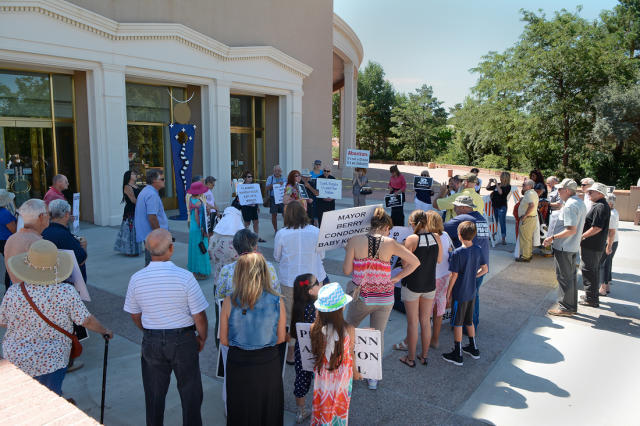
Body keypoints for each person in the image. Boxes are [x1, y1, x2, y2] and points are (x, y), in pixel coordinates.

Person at [0, 240, 112, 396]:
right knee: (50, 397)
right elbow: (85, 320)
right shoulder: (65, 291)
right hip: (52, 358)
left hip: (17, 357)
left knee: (23, 399)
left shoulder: (14, 291)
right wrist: (104, 330)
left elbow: (3, 322)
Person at [124, 229, 209, 426]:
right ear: (170, 249)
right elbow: (200, 316)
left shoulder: (137, 278)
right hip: (183, 339)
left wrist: (148, 331)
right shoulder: (185, 277)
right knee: (191, 394)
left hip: (152, 340)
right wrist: (202, 337)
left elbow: (134, 314)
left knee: (154, 396)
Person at [343, 207, 419, 390]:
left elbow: (346, 271)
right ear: (385, 226)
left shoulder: (355, 240)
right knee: (377, 334)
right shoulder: (390, 243)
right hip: (385, 297)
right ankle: (373, 377)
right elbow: (416, 262)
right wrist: (396, 278)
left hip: (362, 296)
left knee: (348, 330)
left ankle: (348, 369)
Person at [219, 252, 286, 425]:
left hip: (238, 365)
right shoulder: (277, 301)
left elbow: (224, 340)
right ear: (264, 272)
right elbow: (280, 338)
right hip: (267, 365)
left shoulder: (229, 301)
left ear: (239, 273)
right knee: (267, 413)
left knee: (241, 413)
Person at [274, 201, 328, 363]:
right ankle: (314, 348)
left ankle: (291, 352)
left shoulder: (282, 234)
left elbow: (277, 257)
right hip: (313, 280)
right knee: (315, 315)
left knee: (292, 317)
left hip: (290, 280)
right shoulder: (316, 231)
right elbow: (322, 255)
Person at [310, 283, 360, 425]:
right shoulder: (348, 329)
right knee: (338, 407)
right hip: (341, 377)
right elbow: (350, 353)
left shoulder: (314, 328)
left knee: (322, 405)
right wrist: (355, 372)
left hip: (322, 376)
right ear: (342, 308)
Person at [397, 210, 441, 368]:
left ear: (413, 223)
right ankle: (424, 355)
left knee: (412, 323)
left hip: (413, 284)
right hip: (430, 284)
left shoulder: (412, 239)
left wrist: (402, 247)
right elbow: (440, 259)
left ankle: (410, 358)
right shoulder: (436, 237)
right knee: (425, 321)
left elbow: (404, 264)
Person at [442, 221, 488, 366]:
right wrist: (472, 276)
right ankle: (473, 348)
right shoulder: (478, 249)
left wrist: (448, 292)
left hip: (460, 293)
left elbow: (454, 275)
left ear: (459, 235)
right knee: (469, 320)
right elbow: (485, 269)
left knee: (457, 322)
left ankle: (458, 353)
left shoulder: (457, 253)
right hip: (471, 292)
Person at [443, 195, 490, 329]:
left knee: (461, 297)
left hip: (467, 267)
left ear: (463, 207)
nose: (455, 209)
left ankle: (462, 325)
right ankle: (472, 324)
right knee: (474, 295)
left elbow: (441, 229)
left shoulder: (463, 218)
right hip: (481, 265)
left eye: (456, 207)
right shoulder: (481, 218)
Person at [542, 179, 586, 316]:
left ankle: (566, 307)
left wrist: (552, 238)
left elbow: (571, 229)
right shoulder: (579, 202)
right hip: (571, 247)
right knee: (570, 277)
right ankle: (570, 306)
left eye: (560, 189)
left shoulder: (570, 205)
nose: (558, 192)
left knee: (564, 277)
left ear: (567, 190)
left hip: (564, 247)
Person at [290, 273, 321, 423]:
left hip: (301, 348)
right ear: (310, 291)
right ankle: (323, 409)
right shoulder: (316, 307)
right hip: (317, 348)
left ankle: (300, 411)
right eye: (317, 283)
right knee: (321, 379)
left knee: (301, 379)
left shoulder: (298, 305)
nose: (320, 284)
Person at [579, 182, 611, 308]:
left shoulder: (600, 207)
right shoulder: (600, 205)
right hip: (594, 245)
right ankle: (591, 296)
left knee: (589, 271)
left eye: (591, 192)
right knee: (592, 271)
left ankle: (591, 299)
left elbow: (597, 228)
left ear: (600, 193)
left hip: (592, 246)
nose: (588, 193)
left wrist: (582, 236)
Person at [4, 199, 48, 285]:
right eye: (48, 214)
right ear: (41, 216)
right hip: (34, 293)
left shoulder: (12, 239)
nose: (50, 217)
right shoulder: (38, 243)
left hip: (17, 291)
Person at [43, 200, 88, 282]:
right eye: (69, 214)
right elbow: (81, 259)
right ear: (67, 214)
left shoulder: (43, 230)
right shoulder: (63, 235)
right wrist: (84, 247)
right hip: (66, 283)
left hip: (48, 277)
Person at [135, 170, 168, 266]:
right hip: (153, 235)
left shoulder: (146, 191)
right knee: (156, 263)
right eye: (162, 179)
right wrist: (159, 234)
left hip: (148, 235)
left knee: (151, 262)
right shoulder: (152, 194)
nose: (164, 181)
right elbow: (152, 217)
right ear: (154, 180)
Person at [430, 211, 452, 349]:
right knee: (439, 309)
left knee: (426, 312)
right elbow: (449, 251)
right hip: (445, 275)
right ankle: (435, 340)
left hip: (432, 277)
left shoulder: (429, 238)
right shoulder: (446, 235)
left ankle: (426, 338)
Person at [209, 200, 245, 283]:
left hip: (219, 279)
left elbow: (211, 253)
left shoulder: (214, 238)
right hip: (236, 280)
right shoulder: (242, 239)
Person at [114, 170, 142, 256]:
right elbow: (133, 200)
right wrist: (144, 204)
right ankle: (130, 250)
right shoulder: (127, 187)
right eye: (133, 174)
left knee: (137, 230)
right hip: (130, 211)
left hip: (137, 210)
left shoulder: (136, 186)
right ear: (129, 176)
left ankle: (136, 249)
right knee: (130, 230)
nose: (135, 175)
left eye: (135, 174)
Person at [186, 181, 211, 280]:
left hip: (192, 228)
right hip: (198, 228)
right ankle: (202, 271)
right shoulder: (199, 202)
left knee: (194, 248)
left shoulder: (191, 199)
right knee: (202, 249)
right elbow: (198, 217)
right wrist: (202, 229)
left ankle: (194, 270)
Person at [599, 194, 619, 296]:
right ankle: (606, 287)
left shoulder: (611, 214)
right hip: (612, 242)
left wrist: (609, 246)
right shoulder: (613, 212)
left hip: (609, 242)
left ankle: (602, 289)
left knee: (602, 264)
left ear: (610, 203)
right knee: (607, 264)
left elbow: (611, 232)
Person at [516, 179, 539, 262]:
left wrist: (525, 215)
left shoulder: (529, 194)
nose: (523, 186)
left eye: (524, 185)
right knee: (528, 238)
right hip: (531, 218)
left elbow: (532, 205)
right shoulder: (533, 193)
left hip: (528, 219)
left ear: (530, 186)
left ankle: (525, 256)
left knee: (525, 238)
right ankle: (528, 254)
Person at [238, 170, 264, 242]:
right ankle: (245, 237)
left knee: (256, 221)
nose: (250, 178)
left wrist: (257, 206)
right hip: (245, 207)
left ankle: (256, 236)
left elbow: (256, 196)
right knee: (247, 223)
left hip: (253, 207)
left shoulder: (254, 186)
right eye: (249, 177)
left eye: (251, 177)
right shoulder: (241, 187)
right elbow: (240, 198)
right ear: (245, 178)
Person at [486, 172, 511, 245]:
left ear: (505, 178)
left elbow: (501, 192)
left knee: (502, 222)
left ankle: (503, 239)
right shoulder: (499, 184)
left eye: (502, 177)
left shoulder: (508, 186)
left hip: (502, 206)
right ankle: (493, 235)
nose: (500, 178)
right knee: (494, 222)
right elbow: (488, 188)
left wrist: (497, 184)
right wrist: (490, 182)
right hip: (495, 206)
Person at [0, 189, 17, 290]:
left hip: (2, 240)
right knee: (10, 266)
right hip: (6, 241)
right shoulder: (4, 213)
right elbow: (14, 230)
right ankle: (9, 288)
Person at [266, 165, 286, 231]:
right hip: (273, 198)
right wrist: (276, 184)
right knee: (274, 215)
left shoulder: (284, 178)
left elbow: (288, 188)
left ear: (281, 171)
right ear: (273, 171)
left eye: (279, 171)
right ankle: (275, 230)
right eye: (276, 171)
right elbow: (267, 188)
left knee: (285, 214)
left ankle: (285, 228)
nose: (277, 172)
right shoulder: (270, 178)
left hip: (282, 198)